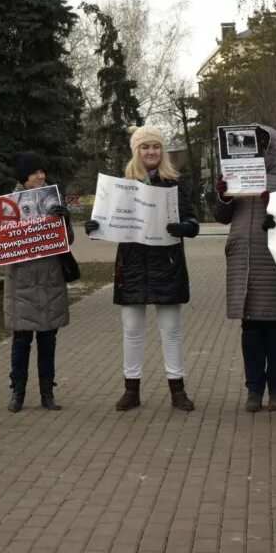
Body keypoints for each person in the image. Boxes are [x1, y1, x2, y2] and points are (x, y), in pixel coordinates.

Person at [85, 125, 200, 412]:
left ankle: (177, 390)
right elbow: (108, 219)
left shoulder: (174, 183)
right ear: (136, 152)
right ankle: (131, 389)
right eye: (146, 147)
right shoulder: (122, 185)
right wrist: (95, 226)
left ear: (163, 151)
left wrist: (186, 226)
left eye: (156, 146)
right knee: (132, 330)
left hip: (167, 265)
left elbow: (191, 220)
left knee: (171, 330)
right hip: (133, 266)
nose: (152, 151)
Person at [215, 125, 276, 413]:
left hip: (275, 261)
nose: (261, 154)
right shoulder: (234, 175)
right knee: (250, 328)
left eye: (265, 147)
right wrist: (224, 196)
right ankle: (254, 390)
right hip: (244, 260)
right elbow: (222, 217)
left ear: (273, 149)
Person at [4, 151, 73, 413]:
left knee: (48, 340)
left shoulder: (53, 199)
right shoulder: (8, 205)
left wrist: (64, 220)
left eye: (43, 171)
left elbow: (69, 241)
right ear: (24, 177)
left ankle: (47, 393)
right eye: (35, 172)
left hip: (50, 279)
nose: (41, 176)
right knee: (21, 341)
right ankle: (17, 393)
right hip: (20, 281)